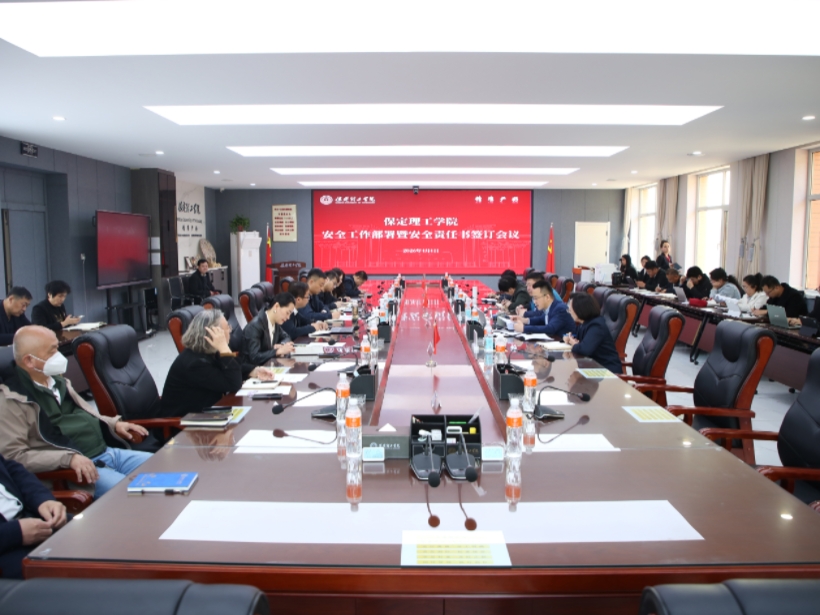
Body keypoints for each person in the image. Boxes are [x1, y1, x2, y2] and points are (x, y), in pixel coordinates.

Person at [0, 326, 152, 498]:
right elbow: (13, 456)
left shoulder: (57, 381)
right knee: (137, 496)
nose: (59, 356)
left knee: (166, 467)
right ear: (29, 361)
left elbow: (85, 411)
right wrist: (67, 459)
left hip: (107, 452)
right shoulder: (11, 400)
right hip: (78, 470)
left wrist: (113, 424)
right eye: (53, 351)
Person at [160, 310, 275, 418]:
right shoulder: (195, 363)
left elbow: (229, 368)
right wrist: (224, 348)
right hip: (184, 424)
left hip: (206, 412)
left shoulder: (205, 351)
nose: (230, 330)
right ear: (213, 334)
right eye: (227, 327)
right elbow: (233, 383)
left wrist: (253, 370)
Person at [0, 453, 67, 579]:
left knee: (89, 535)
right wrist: (16, 533)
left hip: (31, 517)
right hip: (7, 548)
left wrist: (43, 500)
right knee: (64, 575)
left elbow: (12, 470)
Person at [562, 292, 623, 374]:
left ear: (580, 309)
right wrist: (567, 337)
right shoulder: (584, 323)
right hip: (593, 367)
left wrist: (575, 344)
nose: (569, 311)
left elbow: (584, 350)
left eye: (570, 309)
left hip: (607, 371)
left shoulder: (596, 326)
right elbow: (575, 336)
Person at [242, 292, 297, 366]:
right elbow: (254, 357)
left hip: (269, 366)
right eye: (287, 313)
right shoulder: (255, 326)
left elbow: (286, 337)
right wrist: (277, 351)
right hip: (254, 370)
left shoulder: (275, 322)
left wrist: (282, 345)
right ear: (276, 306)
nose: (288, 317)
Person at [511, 280, 576, 338]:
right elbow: (541, 319)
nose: (534, 302)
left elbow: (550, 328)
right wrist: (524, 320)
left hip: (564, 344)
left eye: (536, 298)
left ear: (547, 297)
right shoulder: (549, 307)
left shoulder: (560, 309)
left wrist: (524, 328)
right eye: (533, 298)